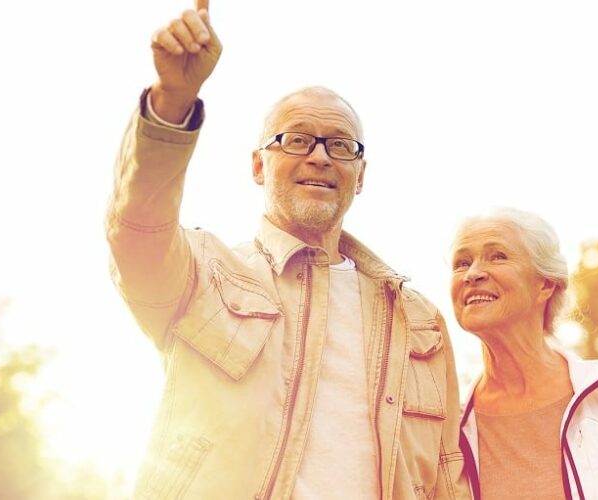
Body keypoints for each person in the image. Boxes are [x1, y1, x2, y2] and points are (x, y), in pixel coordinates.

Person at [105, 1, 470, 499]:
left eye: (341, 145)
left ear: (360, 176)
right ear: (259, 166)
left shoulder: (419, 322)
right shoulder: (203, 274)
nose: (320, 156)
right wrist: (173, 100)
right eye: (297, 140)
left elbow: (448, 476)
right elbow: (136, 228)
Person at [449, 208, 598, 500]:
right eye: (462, 263)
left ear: (545, 284)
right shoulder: (449, 431)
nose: (473, 273)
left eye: (498, 256)